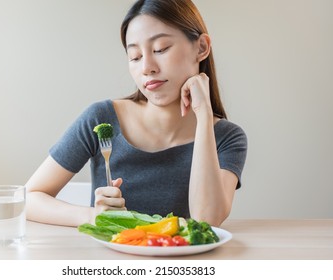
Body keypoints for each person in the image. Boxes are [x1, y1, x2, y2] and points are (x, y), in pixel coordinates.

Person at [25, 0, 247, 228]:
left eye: (160, 49)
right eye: (135, 57)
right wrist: (94, 216)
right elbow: (29, 198)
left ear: (201, 48)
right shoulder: (101, 119)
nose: (146, 68)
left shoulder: (227, 137)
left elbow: (206, 220)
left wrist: (203, 115)